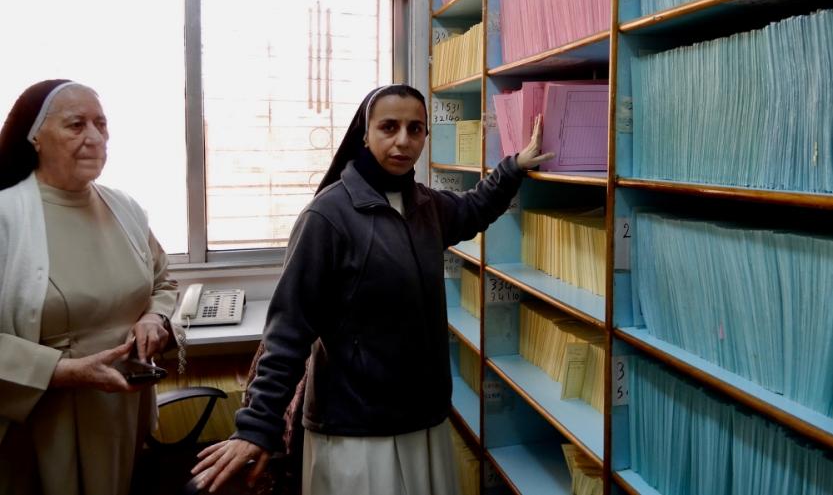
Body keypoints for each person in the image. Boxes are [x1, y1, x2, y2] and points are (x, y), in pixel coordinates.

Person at [193, 84, 553, 495]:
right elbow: (288, 331)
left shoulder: (426, 206)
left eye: (415, 129)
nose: (403, 140)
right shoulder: (327, 216)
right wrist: (256, 427)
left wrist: (515, 166)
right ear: (365, 134)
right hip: (357, 433)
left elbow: (473, 208)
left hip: (424, 421)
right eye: (389, 126)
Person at [0, 79, 179, 495]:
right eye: (76, 125)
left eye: (101, 124)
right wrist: (60, 372)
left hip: (121, 415)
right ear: (35, 138)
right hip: (39, 419)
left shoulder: (126, 209)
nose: (95, 138)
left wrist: (155, 317)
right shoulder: (6, 219)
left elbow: (163, 280)